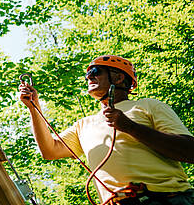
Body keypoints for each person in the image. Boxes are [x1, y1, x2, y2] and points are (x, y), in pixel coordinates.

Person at [18, 55, 194, 204]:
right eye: (87, 75)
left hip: (168, 199)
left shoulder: (148, 106)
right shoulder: (84, 125)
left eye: (95, 72)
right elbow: (50, 150)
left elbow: (189, 151)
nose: (89, 77)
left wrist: (130, 127)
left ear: (118, 78)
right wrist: (34, 108)